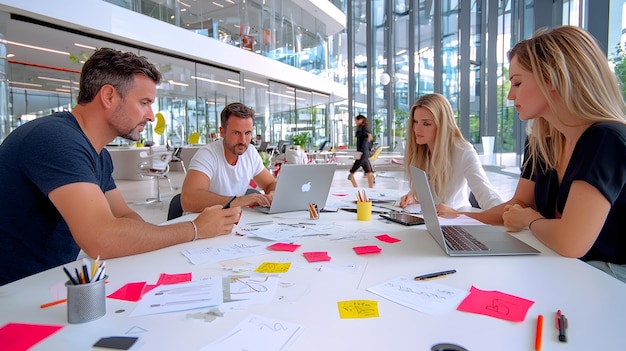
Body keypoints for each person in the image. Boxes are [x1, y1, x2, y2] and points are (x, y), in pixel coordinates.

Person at [0, 48, 241, 286]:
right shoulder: (55, 138)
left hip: (45, 285)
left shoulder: (98, 154)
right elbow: (102, 238)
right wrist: (194, 228)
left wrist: (144, 237)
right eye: (144, 102)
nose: (151, 116)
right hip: (14, 294)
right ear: (108, 96)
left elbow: (125, 216)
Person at [453, 26, 626, 283]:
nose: (511, 96)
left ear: (554, 78)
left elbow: (570, 242)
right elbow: (519, 206)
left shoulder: (605, 138)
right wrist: (458, 218)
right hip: (563, 266)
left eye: (518, 83)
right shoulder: (542, 141)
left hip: (606, 278)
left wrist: (530, 220)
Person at [398, 93, 503, 211]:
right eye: (415, 122)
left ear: (442, 125)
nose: (417, 129)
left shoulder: (463, 150)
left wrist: (503, 214)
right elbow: (432, 198)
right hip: (430, 220)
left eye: (426, 123)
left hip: (458, 218)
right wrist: (415, 196)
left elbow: (486, 193)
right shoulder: (421, 152)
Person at [181, 103, 277, 212]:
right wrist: (236, 201)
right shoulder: (207, 155)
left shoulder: (250, 152)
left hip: (233, 222)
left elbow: (270, 183)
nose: (243, 140)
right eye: (236, 133)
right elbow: (188, 200)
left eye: (247, 133)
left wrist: (272, 194)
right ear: (222, 132)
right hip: (201, 223)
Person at [347, 114, 374, 188]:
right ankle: (370, 188)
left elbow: (370, 137)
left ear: (361, 120)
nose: (355, 122)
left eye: (356, 120)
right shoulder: (360, 128)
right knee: (369, 172)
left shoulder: (364, 127)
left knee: (352, 172)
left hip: (363, 153)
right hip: (363, 152)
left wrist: (366, 149)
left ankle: (356, 188)